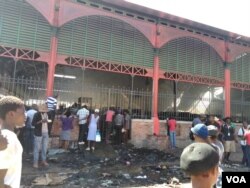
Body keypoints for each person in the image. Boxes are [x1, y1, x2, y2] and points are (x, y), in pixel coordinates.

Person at [0, 96, 25, 188]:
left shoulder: (7, 135)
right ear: (11, 114)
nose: (25, 116)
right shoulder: (7, 138)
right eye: (23, 113)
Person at [32, 104, 52, 168]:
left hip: (46, 132)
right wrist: (40, 121)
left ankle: (43, 161)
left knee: (44, 148)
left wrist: (49, 121)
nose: (45, 111)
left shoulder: (48, 114)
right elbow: (33, 124)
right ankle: (35, 162)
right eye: (44, 110)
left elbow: (50, 121)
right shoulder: (37, 114)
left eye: (46, 110)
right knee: (37, 148)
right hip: (38, 133)